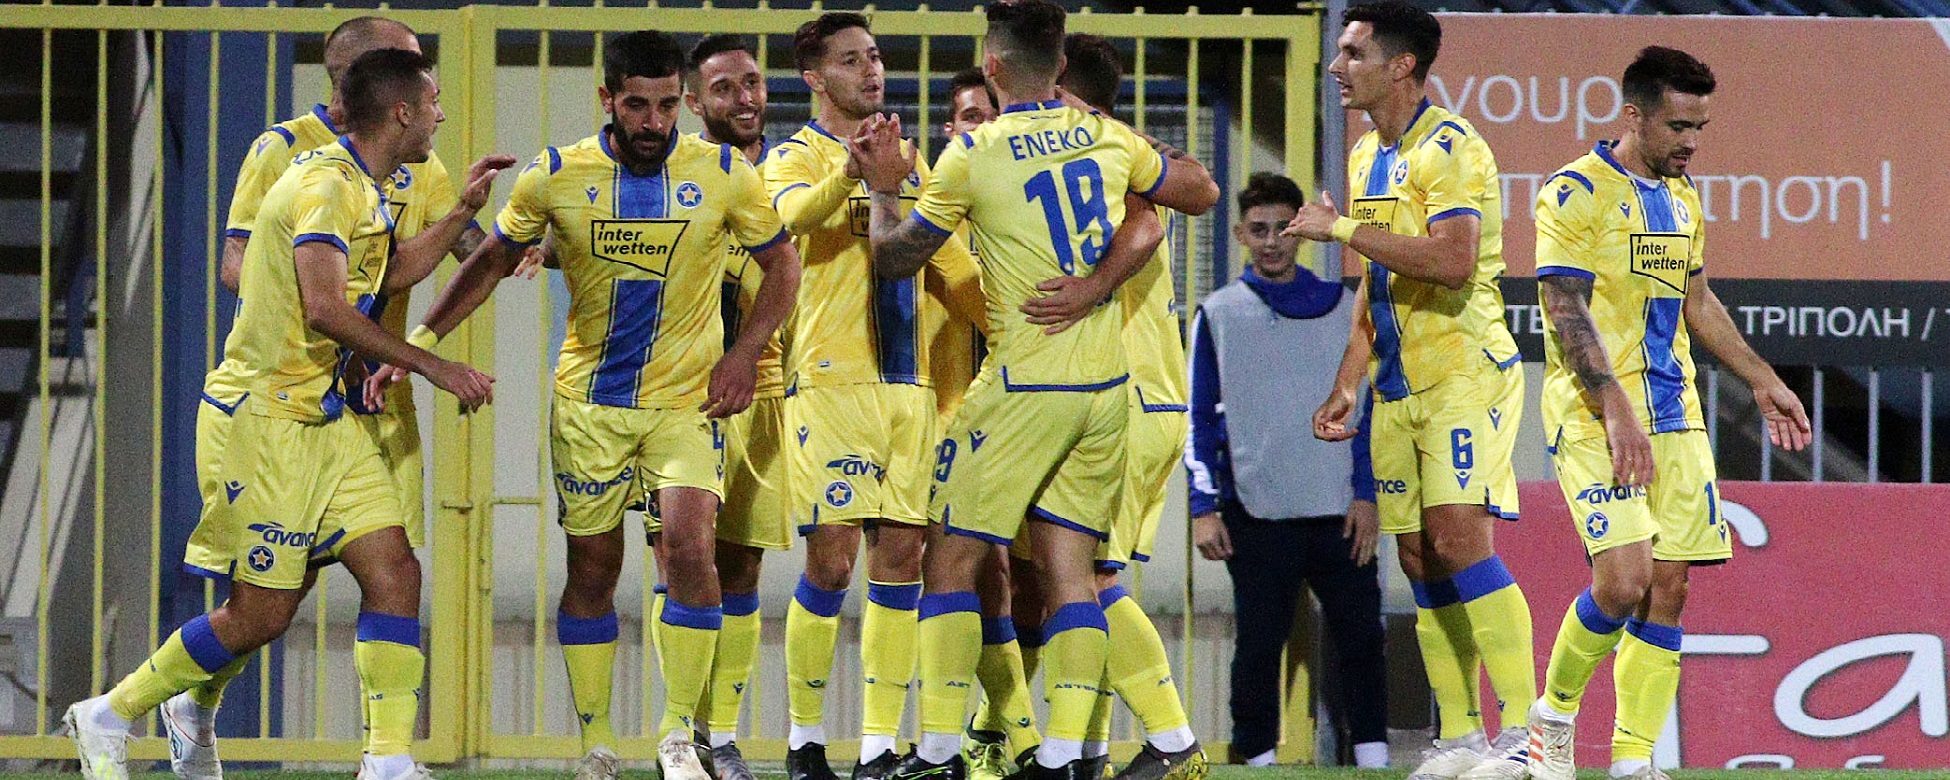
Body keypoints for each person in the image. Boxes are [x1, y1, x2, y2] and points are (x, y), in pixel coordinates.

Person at [65, 48, 496, 780]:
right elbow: (325, 307)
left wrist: (461, 213)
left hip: (325, 418)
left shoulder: (367, 184)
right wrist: (431, 364)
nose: (442, 115)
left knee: (395, 572)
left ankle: (388, 760)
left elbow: (388, 273)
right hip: (264, 420)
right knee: (262, 614)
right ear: (402, 112)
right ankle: (110, 712)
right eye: (433, 102)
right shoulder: (324, 184)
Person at [397, 30, 802, 780]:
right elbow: (490, 262)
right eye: (638, 105)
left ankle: (678, 736)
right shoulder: (556, 174)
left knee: (692, 550)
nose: (655, 122)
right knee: (593, 568)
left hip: (686, 403)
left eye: (668, 105)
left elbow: (783, 265)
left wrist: (745, 352)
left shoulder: (723, 173)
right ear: (607, 98)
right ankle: (598, 743)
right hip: (589, 407)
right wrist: (418, 342)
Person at [858, 2, 1219, 778]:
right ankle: (1064, 755)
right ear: (1057, 67)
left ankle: (942, 749)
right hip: (1108, 387)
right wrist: (1096, 281)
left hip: (1031, 383)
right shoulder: (1111, 139)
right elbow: (1198, 192)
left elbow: (893, 259)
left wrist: (884, 189)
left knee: (953, 558)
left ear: (993, 66)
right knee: (1071, 574)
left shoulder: (977, 153)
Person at [1524, 47, 1810, 780]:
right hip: (1595, 415)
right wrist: (1615, 407)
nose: (1691, 142)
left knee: (1669, 589)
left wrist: (1761, 378)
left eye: (1700, 128)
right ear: (1634, 115)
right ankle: (1552, 717)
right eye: (1679, 126)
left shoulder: (1683, 198)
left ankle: (1632, 762)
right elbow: (1563, 306)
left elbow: (1698, 302)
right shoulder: (1574, 191)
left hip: (1674, 414)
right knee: (1622, 581)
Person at [1287, 3, 1535, 777]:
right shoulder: (1367, 155)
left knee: (1460, 541)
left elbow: (1453, 262)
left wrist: (1339, 230)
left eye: (1352, 53)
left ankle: (1530, 737)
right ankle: (1461, 738)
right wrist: (1348, 380)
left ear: (1400, 66)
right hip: (1398, 386)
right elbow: (1378, 278)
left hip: (1464, 373)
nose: (1337, 67)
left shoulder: (1451, 148)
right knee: (1421, 556)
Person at [761, 14, 981, 780]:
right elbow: (788, 220)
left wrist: (1015, 331)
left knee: (902, 559)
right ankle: (804, 740)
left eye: (876, 56)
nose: (872, 70)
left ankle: (879, 746)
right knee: (830, 561)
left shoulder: (911, 164)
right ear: (815, 77)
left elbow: (948, 264)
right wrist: (856, 177)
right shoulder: (792, 156)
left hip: (909, 386)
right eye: (852, 60)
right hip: (831, 384)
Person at [1187, 172, 1387, 770]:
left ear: (1301, 231)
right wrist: (1202, 507)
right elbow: (1198, 417)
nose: (1272, 241)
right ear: (1240, 234)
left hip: (1340, 510)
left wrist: (1367, 494)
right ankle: (1255, 760)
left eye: (1283, 228)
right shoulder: (1218, 314)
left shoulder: (1346, 310)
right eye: (1259, 230)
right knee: (1257, 643)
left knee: (1362, 637)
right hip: (1256, 508)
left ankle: (1374, 757)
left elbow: (1368, 409)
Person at [1051, 33, 1209, 780]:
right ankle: (1086, 751)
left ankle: (1173, 741)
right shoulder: (1108, 153)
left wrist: (1089, 289)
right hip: (1134, 394)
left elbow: (1171, 207)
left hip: (1129, 394)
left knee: (1087, 580)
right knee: (1075, 576)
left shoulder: (1104, 152)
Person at [659, 33, 786, 780]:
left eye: (753, 83)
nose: (744, 99)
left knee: (740, 569)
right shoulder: (670, 174)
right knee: (679, 556)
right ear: (693, 101)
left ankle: (722, 736)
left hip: (762, 392)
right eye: (725, 88)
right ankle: (677, 734)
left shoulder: (790, 172)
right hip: (676, 399)